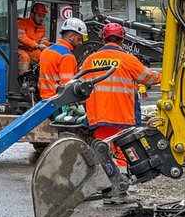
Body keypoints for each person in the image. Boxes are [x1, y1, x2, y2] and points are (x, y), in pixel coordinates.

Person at [84, 22, 161, 167]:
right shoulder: (128, 59)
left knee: (103, 149)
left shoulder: (90, 60)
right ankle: (122, 181)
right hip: (122, 114)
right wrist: (166, 76)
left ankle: (106, 179)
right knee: (124, 151)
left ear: (103, 40)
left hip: (99, 115)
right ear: (122, 40)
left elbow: (81, 87)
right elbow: (149, 78)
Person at [38, 17, 87, 101]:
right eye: (79, 39)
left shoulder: (46, 51)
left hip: (44, 99)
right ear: (71, 37)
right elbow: (67, 86)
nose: (80, 43)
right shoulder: (67, 56)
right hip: (58, 102)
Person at [17, 3, 49, 74]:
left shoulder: (41, 27)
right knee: (24, 57)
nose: (42, 18)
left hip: (31, 50)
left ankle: (41, 78)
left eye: (43, 16)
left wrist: (50, 45)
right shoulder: (22, 23)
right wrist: (36, 45)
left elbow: (43, 40)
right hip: (19, 49)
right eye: (39, 15)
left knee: (45, 57)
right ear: (32, 14)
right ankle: (22, 77)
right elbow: (22, 38)